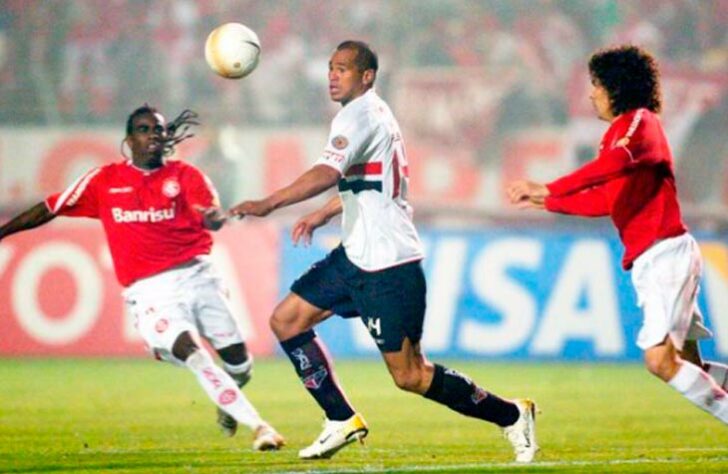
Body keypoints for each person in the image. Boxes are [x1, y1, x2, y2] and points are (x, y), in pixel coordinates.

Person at [229, 40, 538, 462]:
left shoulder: (360, 116)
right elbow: (370, 181)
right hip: (355, 254)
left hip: (389, 264)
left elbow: (326, 171)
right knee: (287, 320)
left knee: (410, 375)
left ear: (367, 76)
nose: (333, 76)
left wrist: (269, 203)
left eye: (343, 69)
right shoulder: (370, 113)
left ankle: (511, 414)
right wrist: (325, 212)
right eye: (331, 68)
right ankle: (340, 418)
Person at [0, 104, 285, 450]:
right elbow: (49, 207)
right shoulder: (104, 180)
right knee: (192, 352)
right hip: (150, 292)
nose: (153, 135)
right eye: (144, 129)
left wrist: (212, 218)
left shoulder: (186, 176)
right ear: (129, 139)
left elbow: (206, 212)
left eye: (159, 130)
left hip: (199, 277)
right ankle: (260, 426)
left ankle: (227, 398)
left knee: (240, 365)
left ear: (167, 137)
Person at [506, 44, 728, 424]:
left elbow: (612, 166)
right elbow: (607, 201)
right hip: (653, 258)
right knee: (690, 364)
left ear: (617, 86)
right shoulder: (614, 135)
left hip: (666, 254)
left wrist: (550, 187)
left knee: (659, 361)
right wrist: (550, 203)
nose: (592, 93)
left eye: (597, 84)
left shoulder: (641, 122)